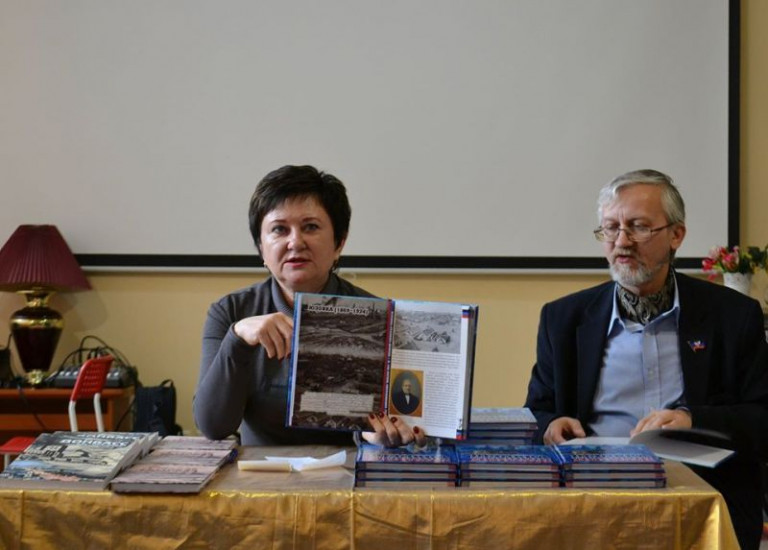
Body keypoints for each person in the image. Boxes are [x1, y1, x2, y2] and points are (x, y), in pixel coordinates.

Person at [524, 169, 768, 550]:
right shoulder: (564, 319)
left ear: (676, 235)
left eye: (638, 227)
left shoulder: (733, 316)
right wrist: (552, 424)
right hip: (593, 501)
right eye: (611, 228)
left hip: (703, 501)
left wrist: (692, 419)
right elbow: (537, 410)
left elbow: (761, 417)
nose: (622, 241)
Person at [194, 165, 426, 448]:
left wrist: (373, 435)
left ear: (339, 243)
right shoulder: (231, 312)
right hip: (259, 472)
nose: (295, 242)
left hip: (347, 472)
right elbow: (213, 427)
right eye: (279, 229)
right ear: (261, 247)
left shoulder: (378, 318)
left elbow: (394, 422)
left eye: (311, 227)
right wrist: (237, 339)